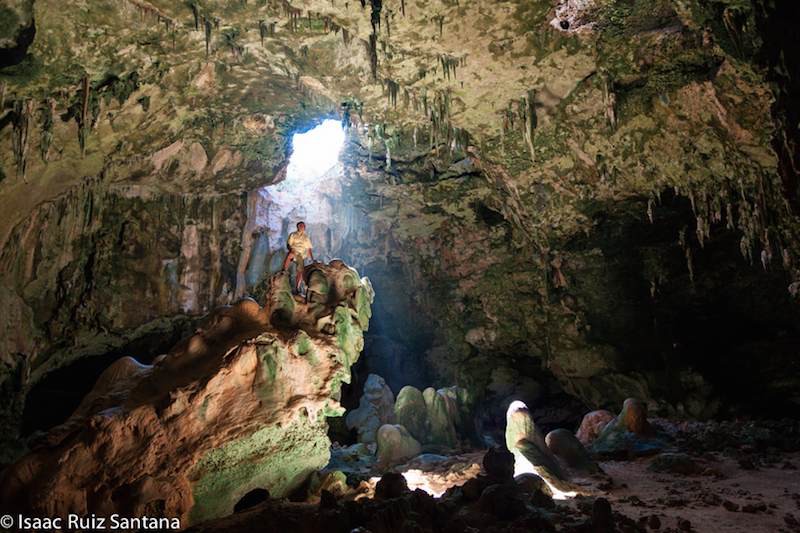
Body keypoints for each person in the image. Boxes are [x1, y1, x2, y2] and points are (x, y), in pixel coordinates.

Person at [282, 221, 314, 293]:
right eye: (301, 226)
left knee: (300, 271)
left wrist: (312, 259)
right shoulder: (293, 235)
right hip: (294, 251)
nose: (302, 227)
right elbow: (289, 244)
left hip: (301, 255)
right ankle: (284, 271)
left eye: (303, 226)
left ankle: (297, 287)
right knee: (291, 255)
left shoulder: (306, 237)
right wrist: (291, 249)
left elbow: (309, 249)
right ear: (298, 227)